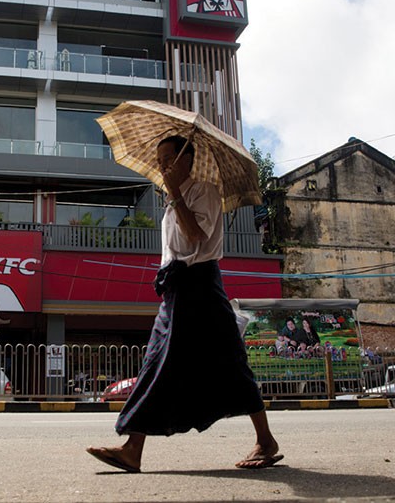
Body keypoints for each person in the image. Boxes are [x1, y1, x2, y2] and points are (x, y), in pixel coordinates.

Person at [86, 135, 281, 473]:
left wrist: (175, 193)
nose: (162, 166)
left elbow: (195, 236)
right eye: (159, 160)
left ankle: (264, 440)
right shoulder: (170, 201)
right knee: (161, 362)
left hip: (200, 285)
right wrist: (172, 197)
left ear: (186, 161)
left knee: (224, 362)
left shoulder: (202, 192)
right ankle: (134, 447)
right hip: (177, 289)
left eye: (168, 159)